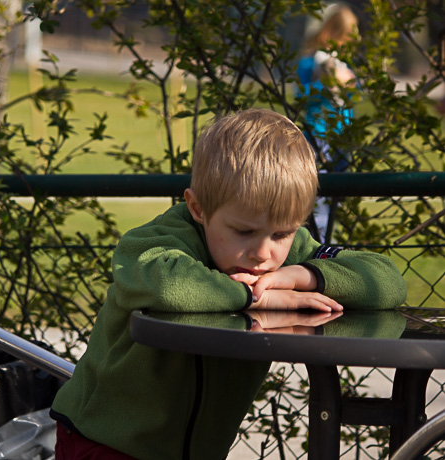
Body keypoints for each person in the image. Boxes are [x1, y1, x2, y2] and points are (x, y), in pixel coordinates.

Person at [49, 108, 407, 460]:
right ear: (199, 208)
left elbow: (386, 279)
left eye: (281, 233)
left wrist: (301, 276)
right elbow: (166, 284)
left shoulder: (290, 253)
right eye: (243, 231)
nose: (263, 253)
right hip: (106, 440)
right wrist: (256, 296)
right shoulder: (163, 240)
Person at [297, 3, 360, 242]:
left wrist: (349, 83)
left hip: (342, 136)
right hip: (319, 134)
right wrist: (327, 85)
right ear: (329, 33)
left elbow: (352, 96)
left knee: (338, 192)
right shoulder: (311, 62)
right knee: (318, 191)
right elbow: (301, 94)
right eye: (345, 36)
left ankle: (329, 237)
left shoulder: (342, 63)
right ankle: (317, 239)